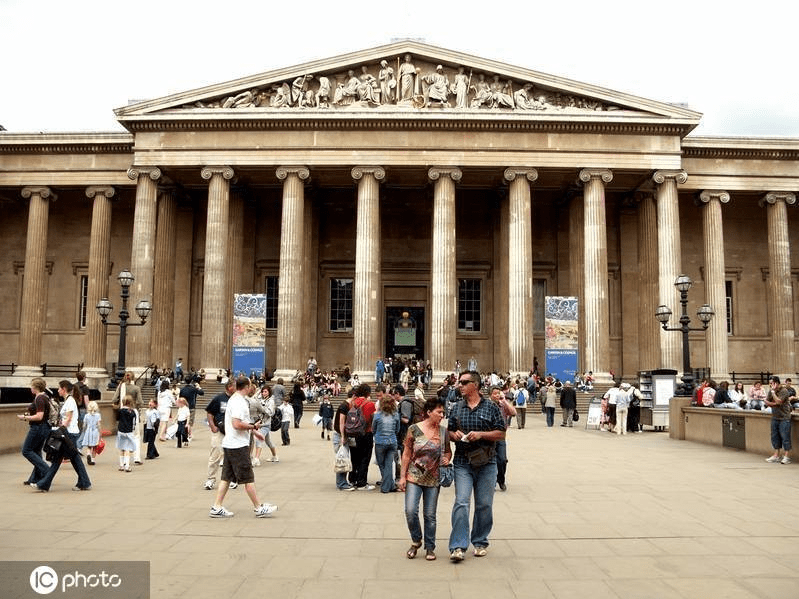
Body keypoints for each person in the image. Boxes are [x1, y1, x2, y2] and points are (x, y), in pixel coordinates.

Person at [447, 370, 506, 562]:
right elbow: (449, 431)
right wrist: (454, 435)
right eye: (459, 382)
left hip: (487, 462)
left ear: (476, 385)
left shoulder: (491, 407)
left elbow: (501, 433)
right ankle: (458, 545)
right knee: (462, 503)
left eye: (464, 382)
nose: (460, 386)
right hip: (463, 461)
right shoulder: (456, 407)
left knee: (484, 505)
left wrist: (481, 434)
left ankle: (480, 541)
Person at [209, 376, 278, 518]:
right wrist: (253, 426)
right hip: (238, 445)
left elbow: (238, 423)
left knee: (226, 477)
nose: (252, 388)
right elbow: (236, 424)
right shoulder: (239, 402)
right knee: (248, 478)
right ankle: (259, 508)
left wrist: (254, 432)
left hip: (230, 443)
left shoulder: (235, 399)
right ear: (246, 386)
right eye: (250, 385)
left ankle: (217, 506)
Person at [398, 396, 452, 561]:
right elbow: (406, 453)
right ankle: (416, 540)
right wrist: (402, 476)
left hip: (433, 479)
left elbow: (448, 451)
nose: (442, 415)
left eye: (443, 412)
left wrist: (447, 458)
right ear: (429, 412)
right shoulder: (414, 429)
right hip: (414, 476)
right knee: (410, 511)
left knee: (430, 515)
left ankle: (430, 547)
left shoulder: (443, 432)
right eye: (439, 412)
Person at [34, 381, 92, 492]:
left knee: (64, 459)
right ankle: (84, 482)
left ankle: (44, 484)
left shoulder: (70, 401)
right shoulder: (69, 401)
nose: (58, 390)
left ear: (64, 389)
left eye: (59, 388)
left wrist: (60, 429)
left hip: (68, 433)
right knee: (66, 459)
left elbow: (69, 418)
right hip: (69, 433)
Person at [18, 377, 53, 487]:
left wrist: (25, 417)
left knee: (26, 450)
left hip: (38, 427)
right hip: (44, 427)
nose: (30, 388)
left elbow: (39, 416)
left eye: (31, 386)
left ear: (36, 387)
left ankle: (47, 471)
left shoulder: (39, 398)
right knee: (37, 452)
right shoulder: (45, 397)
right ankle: (35, 478)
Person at [204, 379, 235, 490]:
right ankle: (210, 479)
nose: (237, 388)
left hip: (233, 432)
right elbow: (209, 412)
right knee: (215, 455)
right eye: (235, 386)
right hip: (220, 431)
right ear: (229, 387)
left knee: (232, 456)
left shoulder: (237, 399)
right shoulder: (219, 398)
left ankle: (232, 479)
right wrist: (212, 426)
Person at [346, 383, 377, 490]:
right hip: (366, 433)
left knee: (354, 457)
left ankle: (352, 479)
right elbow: (371, 420)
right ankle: (361, 482)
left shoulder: (352, 402)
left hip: (353, 433)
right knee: (365, 458)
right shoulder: (370, 404)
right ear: (368, 392)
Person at [489, 386, 515, 492]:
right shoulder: (486, 405)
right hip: (489, 436)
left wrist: (504, 400)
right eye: (494, 393)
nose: (497, 395)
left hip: (500, 437)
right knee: (490, 460)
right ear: (490, 395)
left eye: (498, 393)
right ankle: (492, 481)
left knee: (502, 459)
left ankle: (501, 479)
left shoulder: (502, 404)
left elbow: (513, 413)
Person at [372, 393, 400, 493]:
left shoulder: (377, 415)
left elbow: (373, 429)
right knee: (389, 464)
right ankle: (390, 485)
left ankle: (385, 487)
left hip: (380, 442)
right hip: (392, 441)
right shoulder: (396, 415)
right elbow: (397, 429)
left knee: (381, 464)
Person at [764, 376, 793, 464]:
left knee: (785, 437)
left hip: (784, 417)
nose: (771, 385)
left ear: (777, 383)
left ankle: (786, 456)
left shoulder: (784, 391)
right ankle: (776, 455)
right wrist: (773, 403)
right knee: (775, 437)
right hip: (775, 417)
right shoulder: (771, 390)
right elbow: (767, 402)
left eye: (772, 383)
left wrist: (773, 394)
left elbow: (779, 402)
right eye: (770, 383)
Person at [333, 391, 356, 491]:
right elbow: (341, 422)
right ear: (354, 396)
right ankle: (341, 483)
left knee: (344, 458)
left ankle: (343, 482)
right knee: (342, 459)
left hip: (343, 436)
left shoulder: (348, 405)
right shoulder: (344, 406)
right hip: (340, 436)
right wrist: (343, 436)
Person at [253, 386, 279, 464]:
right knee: (268, 441)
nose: (264, 393)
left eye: (265, 392)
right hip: (259, 422)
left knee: (259, 439)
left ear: (269, 392)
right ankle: (275, 456)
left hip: (266, 423)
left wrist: (261, 408)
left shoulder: (271, 401)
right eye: (263, 392)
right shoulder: (259, 399)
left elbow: (270, 413)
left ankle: (257, 459)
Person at [116, 396, 138, 472]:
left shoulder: (120, 411)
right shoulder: (132, 412)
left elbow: (117, 419)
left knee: (121, 448)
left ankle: (121, 465)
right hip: (128, 431)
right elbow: (134, 422)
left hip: (121, 431)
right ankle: (127, 466)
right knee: (127, 449)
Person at [80, 399, 102, 464]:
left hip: (88, 431)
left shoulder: (86, 416)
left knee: (89, 446)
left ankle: (88, 454)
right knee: (95, 446)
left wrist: (84, 431)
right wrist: (100, 432)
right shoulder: (98, 415)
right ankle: (93, 459)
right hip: (95, 431)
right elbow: (98, 425)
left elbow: (84, 425)